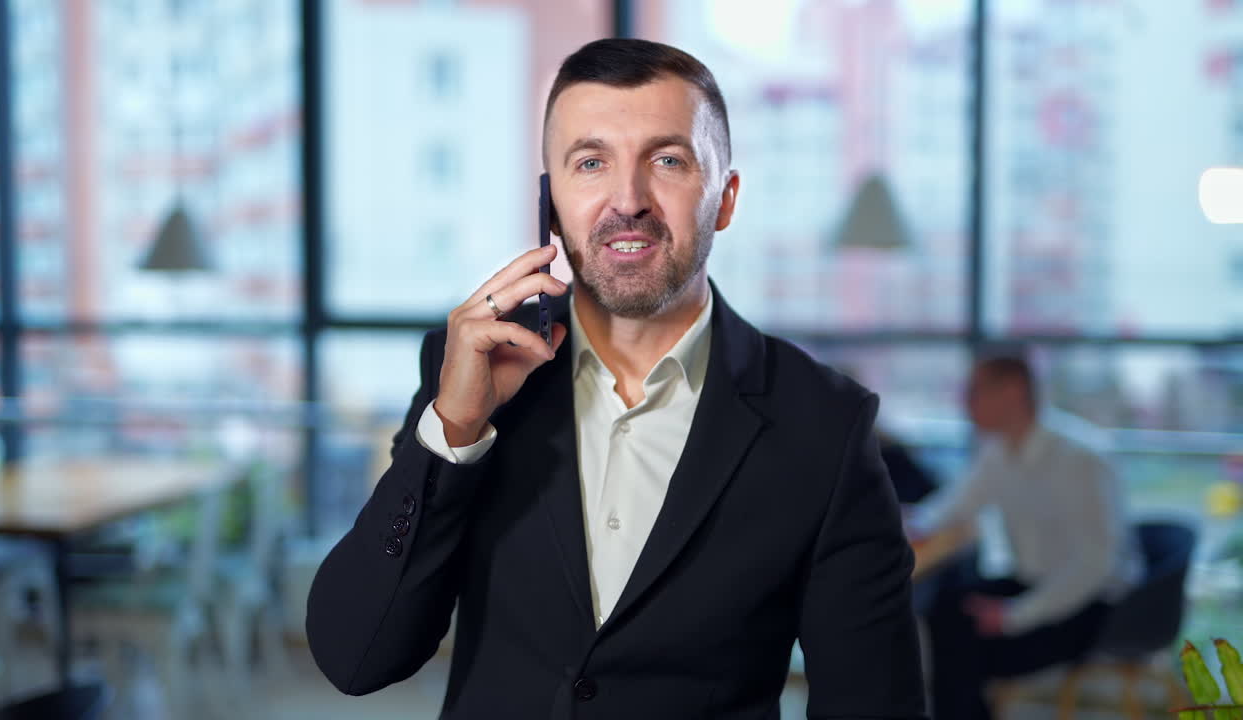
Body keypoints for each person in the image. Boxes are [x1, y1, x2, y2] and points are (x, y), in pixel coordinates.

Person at [307, 38, 925, 719]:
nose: (627, 199)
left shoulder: (825, 427)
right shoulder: (468, 379)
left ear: (724, 198)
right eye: (591, 162)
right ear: (551, 200)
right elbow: (355, 656)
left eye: (667, 160)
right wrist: (452, 432)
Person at [910, 352, 1143, 720]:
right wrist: (913, 526)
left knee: (957, 644)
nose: (965, 403)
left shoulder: (1083, 458)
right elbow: (954, 504)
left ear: (1014, 391)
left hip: (1090, 606)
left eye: (975, 391)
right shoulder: (1000, 451)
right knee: (944, 605)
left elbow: (1096, 566)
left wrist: (1013, 616)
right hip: (1032, 583)